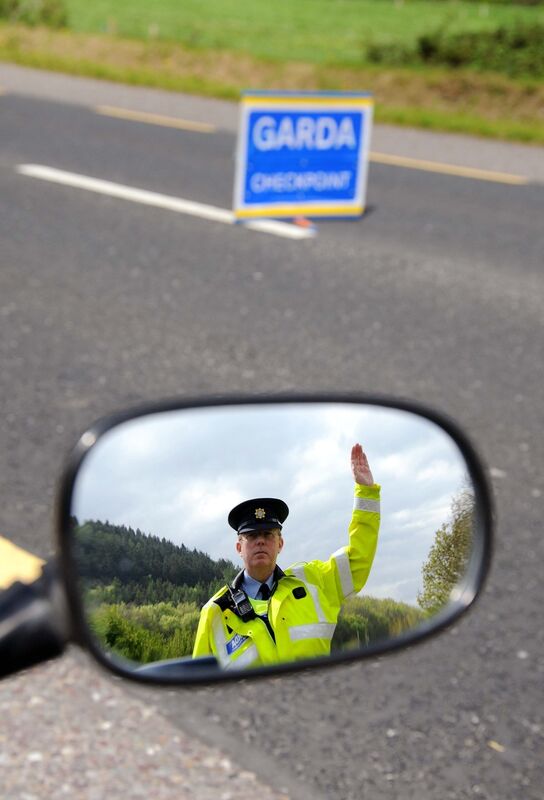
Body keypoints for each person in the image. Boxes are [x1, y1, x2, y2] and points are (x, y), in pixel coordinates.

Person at [192, 443, 380, 669]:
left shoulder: (315, 581)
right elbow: (199, 685)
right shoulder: (215, 612)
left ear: (280, 544)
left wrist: (366, 492)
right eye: (251, 536)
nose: (260, 541)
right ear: (239, 548)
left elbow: (359, 559)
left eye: (267, 534)